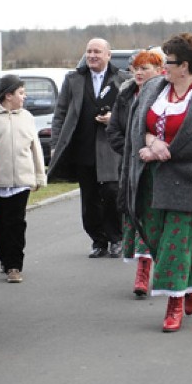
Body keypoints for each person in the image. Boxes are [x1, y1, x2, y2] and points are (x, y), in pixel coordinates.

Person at [120, 33, 192, 332]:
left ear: (185, 66)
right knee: (157, 238)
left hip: (188, 180)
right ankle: (191, 284)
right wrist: (151, 141)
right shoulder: (154, 89)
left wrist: (162, 151)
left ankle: (174, 305)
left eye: (168, 63)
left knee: (176, 243)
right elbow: (137, 126)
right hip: (149, 179)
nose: (162, 68)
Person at [49, 38, 129, 258]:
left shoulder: (122, 79)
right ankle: (98, 240)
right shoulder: (74, 79)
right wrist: (56, 145)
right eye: (89, 51)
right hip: (83, 147)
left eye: (97, 52)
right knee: (89, 198)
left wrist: (114, 120)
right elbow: (60, 113)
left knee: (112, 192)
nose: (92, 55)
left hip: (111, 149)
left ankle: (116, 238)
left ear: (108, 55)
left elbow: (130, 112)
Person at [105, 50, 164, 297]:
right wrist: (131, 150)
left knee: (157, 221)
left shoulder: (165, 95)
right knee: (136, 216)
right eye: (136, 68)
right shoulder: (126, 93)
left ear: (160, 71)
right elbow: (114, 130)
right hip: (132, 166)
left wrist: (152, 150)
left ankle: (164, 271)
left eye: (145, 68)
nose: (139, 73)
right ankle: (142, 273)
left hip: (159, 168)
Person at [0, 74, 47, 284]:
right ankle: (4, 257)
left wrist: (39, 176)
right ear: (8, 95)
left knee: (16, 224)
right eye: (21, 93)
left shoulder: (27, 117)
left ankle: (14, 265)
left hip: (21, 181)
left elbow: (36, 148)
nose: (24, 97)